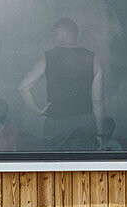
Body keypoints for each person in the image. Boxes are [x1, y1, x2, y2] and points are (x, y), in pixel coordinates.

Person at [18, 18, 102, 151]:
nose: (53, 37)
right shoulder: (93, 58)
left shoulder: (47, 57)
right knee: (81, 168)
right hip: (84, 122)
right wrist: (100, 133)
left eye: (54, 34)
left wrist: (38, 111)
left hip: (55, 123)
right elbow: (98, 101)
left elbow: (23, 88)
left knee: (54, 167)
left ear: (62, 32)